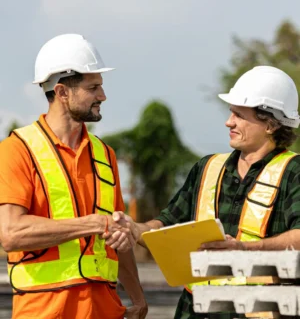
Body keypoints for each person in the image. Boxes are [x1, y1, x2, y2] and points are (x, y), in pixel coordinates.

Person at [108, 65, 300, 319]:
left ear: (271, 124)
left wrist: (244, 250)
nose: (228, 121)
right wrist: (135, 229)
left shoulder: (293, 172)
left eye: (240, 115)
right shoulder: (207, 168)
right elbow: (166, 225)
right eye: (231, 113)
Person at [0, 34, 147, 319]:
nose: (102, 96)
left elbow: (119, 234)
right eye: (93, 88)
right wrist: (93, 223)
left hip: (106, 310)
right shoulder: (16, 150)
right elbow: (11, 233)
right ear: (62, 92)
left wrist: (138, 296)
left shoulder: (105, 155)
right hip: (44, 311)